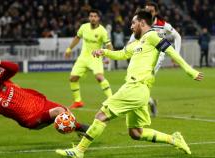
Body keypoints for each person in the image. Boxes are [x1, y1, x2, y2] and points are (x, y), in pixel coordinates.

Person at [55, 9, 203, 158]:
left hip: (136, 87)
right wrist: (104, 52)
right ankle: (173, 139)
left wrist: (191, 71)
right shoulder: (136, 43)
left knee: (102, 115)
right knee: (135, 132)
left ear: (142, 22)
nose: (131, 26)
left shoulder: (152, 36)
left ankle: (79, 151)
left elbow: (171, 51)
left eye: (133, 23)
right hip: (139, 90)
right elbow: (121, 54)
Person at [0, 47, 88, 133]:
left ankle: (78, 131)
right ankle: (83, 130)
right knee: (60, 112)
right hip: (31, 118)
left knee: (66, 112)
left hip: (41, 102)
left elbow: (14, 68)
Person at [128, 1, 183, 117]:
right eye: (147, 10)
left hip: (156, 57)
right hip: (141, 55)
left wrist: (176, 55)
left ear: (156, 12)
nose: (149, 12)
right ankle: (150, 102)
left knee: (140, 82)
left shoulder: (162, 24)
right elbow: (134, 34)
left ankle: (142, 108)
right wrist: (129, 45)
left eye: (151, 11)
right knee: (135, 82)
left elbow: (177, 36)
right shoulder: (141, 22)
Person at [65, 9, 113, 109]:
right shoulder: (84, 27)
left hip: (95, 58)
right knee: (72, 78)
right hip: (83, 57)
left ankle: (111, 100)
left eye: (95, 16)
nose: (93, 18)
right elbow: (77, 38)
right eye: (91, 16)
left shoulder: (102, 31)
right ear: (89, 18)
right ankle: (78, 102)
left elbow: (108, 45)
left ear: (98, 18)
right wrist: (69, 49)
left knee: (99, 77)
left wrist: (108, 56)